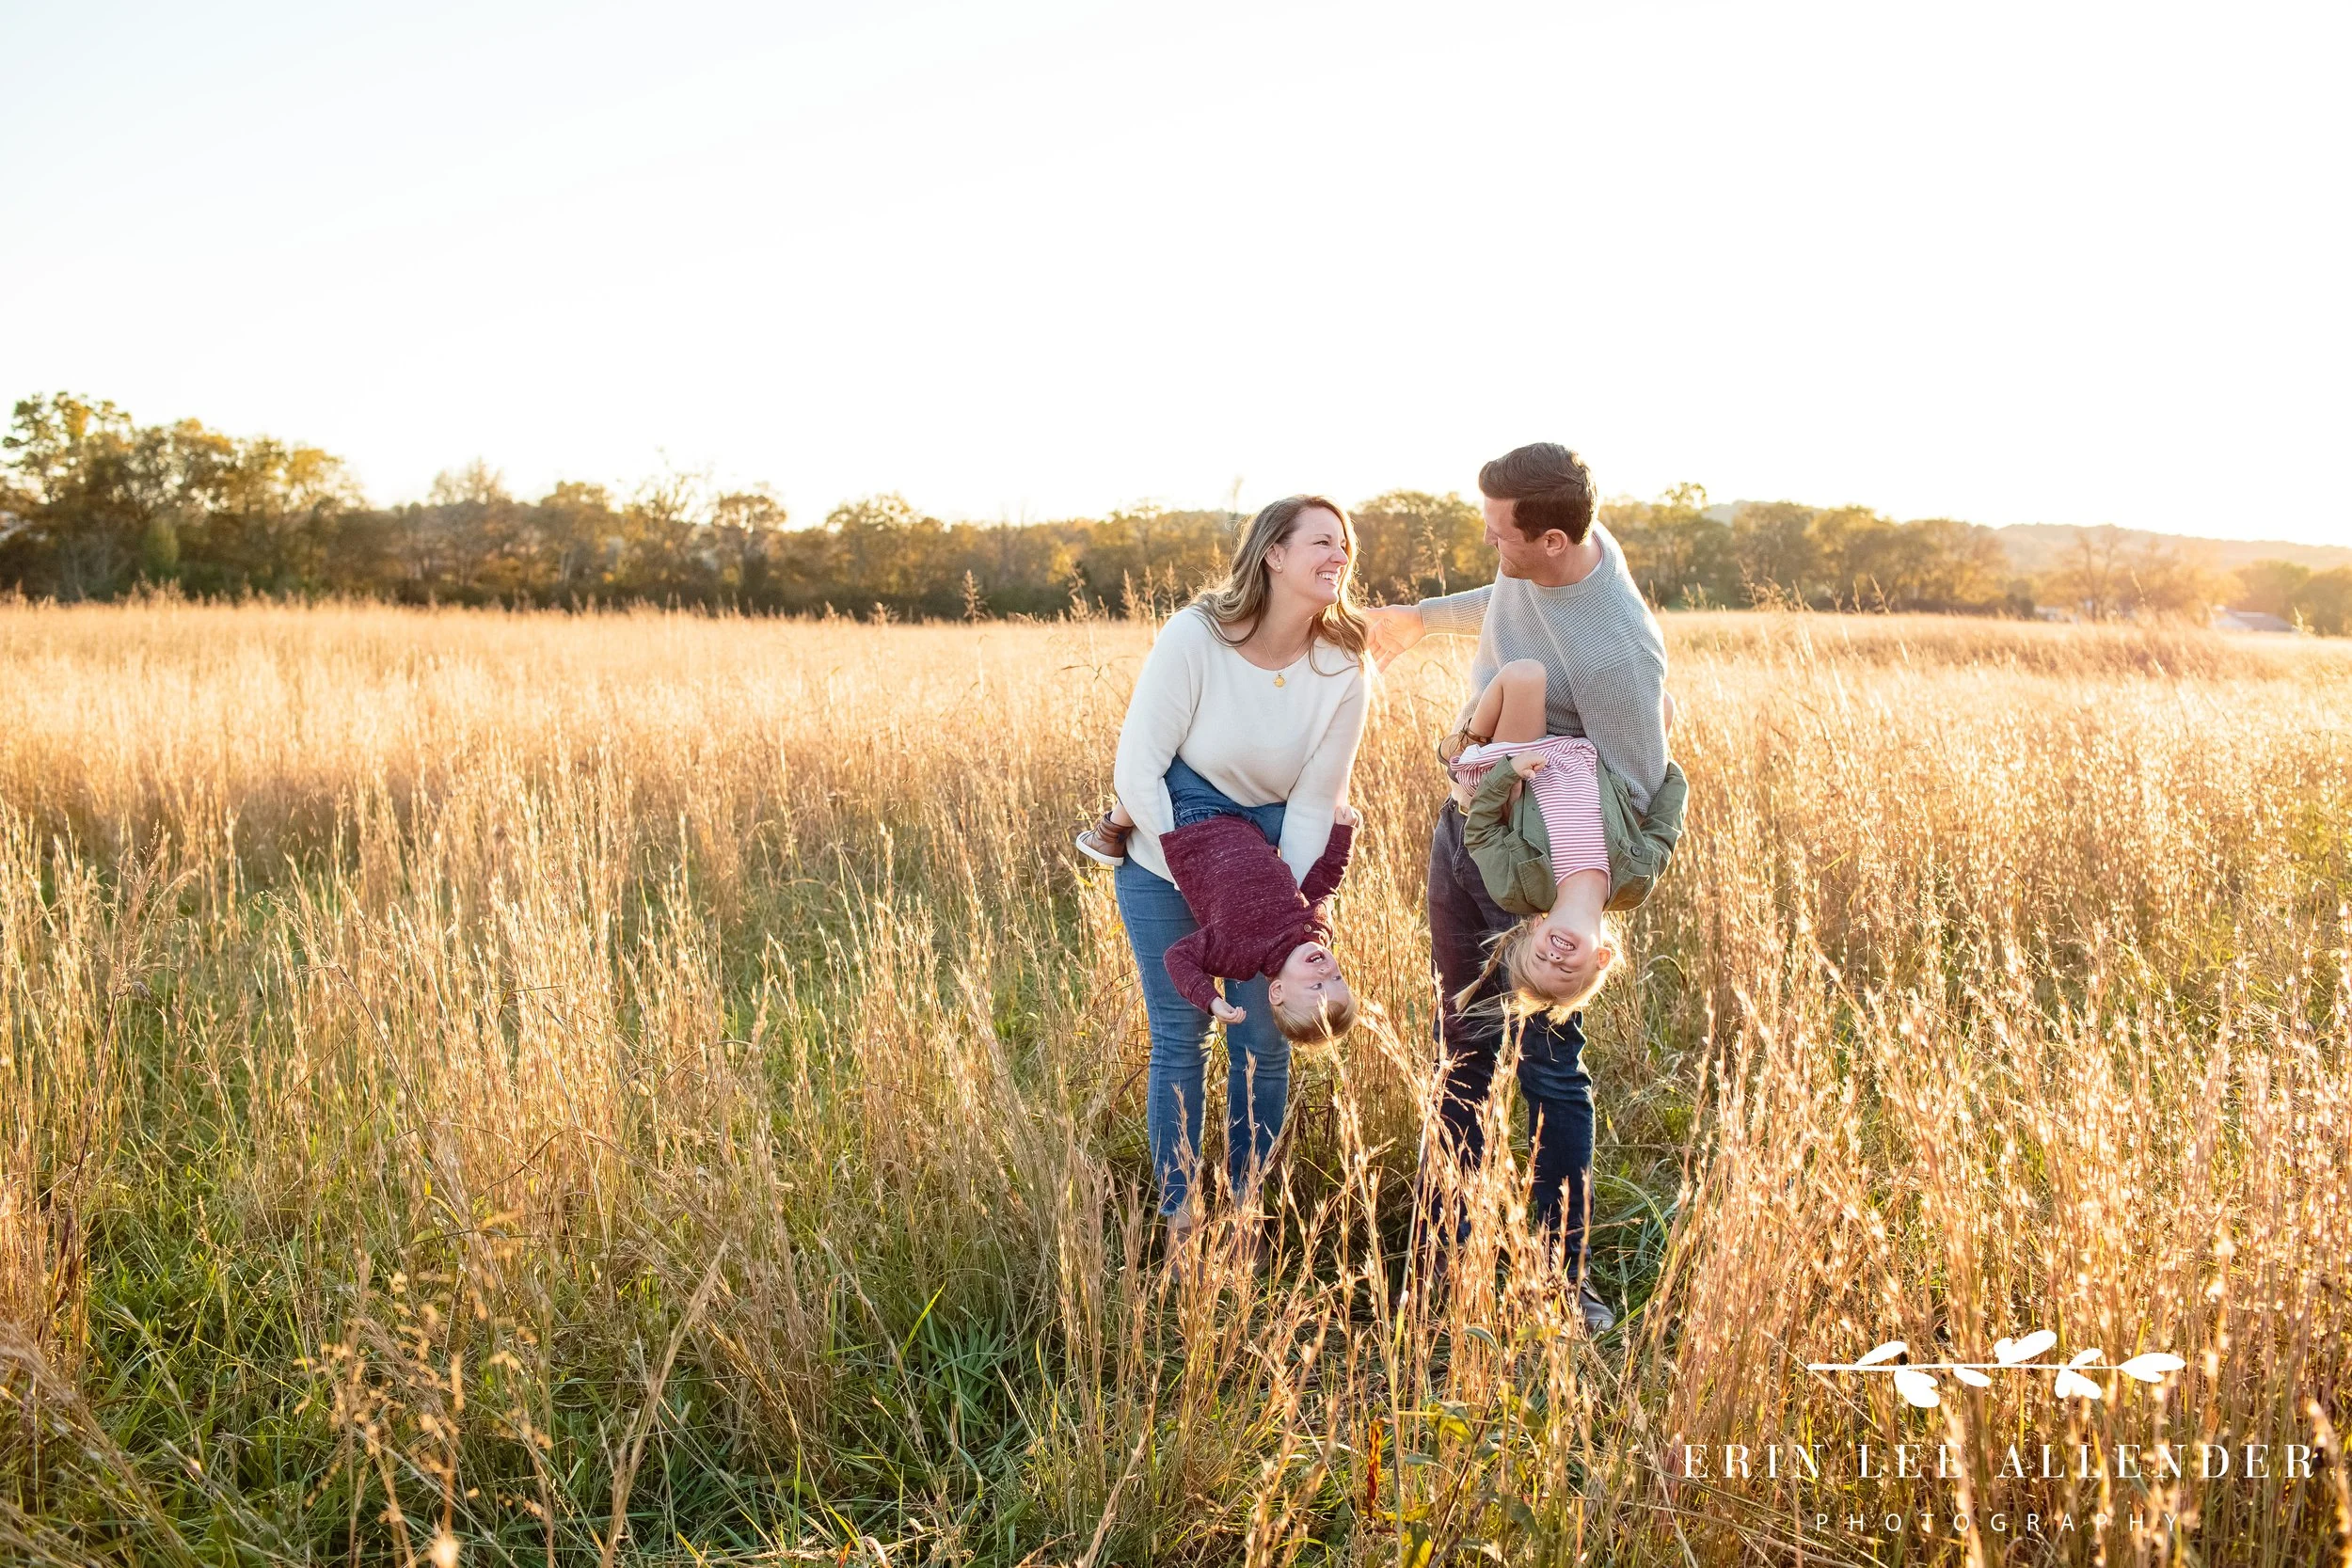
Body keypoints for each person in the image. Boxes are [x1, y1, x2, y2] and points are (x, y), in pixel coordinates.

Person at [1361, 442, 1667, 1333]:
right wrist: (1420, 615)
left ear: (1554, 537)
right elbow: (1508, 593)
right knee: (1457, 1050)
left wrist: (1571, 906)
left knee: (1544, 1066)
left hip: (1530, 867)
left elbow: (1642, 788)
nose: (1489, 544)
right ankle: (1434, 1274)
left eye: (1499, 535)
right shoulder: (1558, 548)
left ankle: (1559, 1284)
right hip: (1468, 827)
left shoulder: (1617, 658)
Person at [1102, 494, 1371, 1250]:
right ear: (1273, 555)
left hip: (1271, 854)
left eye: (1345, 546)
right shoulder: (1196, 637)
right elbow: (1138, 772)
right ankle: (1182, 1219)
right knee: (1180, 1034)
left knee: (1264, 1039)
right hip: (1167, 848)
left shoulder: (1343, 665)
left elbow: (1319, 798)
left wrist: (1268, 912)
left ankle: (1248, 1213)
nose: (1339, 556)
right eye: (1322, 541)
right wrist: (1204, 881)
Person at [1444, 658, 1687, 1015]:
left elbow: (1479, 834)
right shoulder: (1634, 882)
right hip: (1589, 756)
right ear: (1601, 957)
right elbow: (1664, 828)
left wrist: (1506, 775)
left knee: (1526, 675)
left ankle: (1466, 743)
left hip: (1525, 759)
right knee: (1661, 702)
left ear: (1536, 929)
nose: (1555, 956)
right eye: (1565, 968)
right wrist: (1671, 771)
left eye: (1541, 957)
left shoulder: (1517, 890)